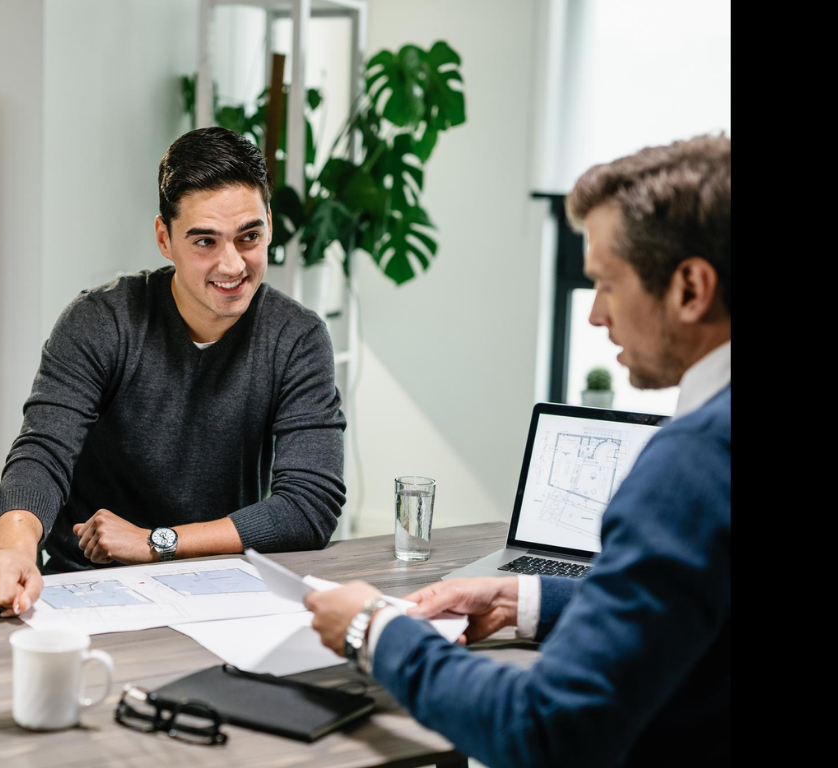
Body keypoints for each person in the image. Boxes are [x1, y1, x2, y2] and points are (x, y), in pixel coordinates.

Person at [305, 135, 731, 767]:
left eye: (606, 285)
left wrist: (376, 631)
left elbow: (545, 731)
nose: (594, 317)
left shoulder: (694, 463)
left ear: (691, 288)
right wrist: (520, 599)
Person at [0, 127, 346, 621]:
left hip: (223, 586)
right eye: (205, 241)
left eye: (249, 236)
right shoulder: (101, 321)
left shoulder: (297, 337)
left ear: (269, 224)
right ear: (165, 238)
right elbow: (43, 453)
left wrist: (157, 543)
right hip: (89, 584)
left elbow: (309, 504)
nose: (232, 264)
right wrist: (12, 548)